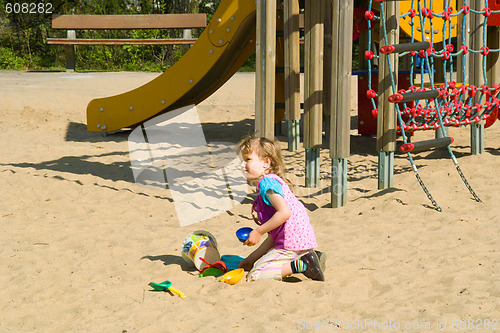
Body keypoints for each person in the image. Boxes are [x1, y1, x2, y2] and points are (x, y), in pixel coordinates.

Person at [237, 136, 325, 281]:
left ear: (265, 162)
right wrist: (251, 259)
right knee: (256, 265)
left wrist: (258, 231)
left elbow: (284, 213)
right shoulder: (273, 182)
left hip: (291, 242)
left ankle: (303, 265)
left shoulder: (266, 183)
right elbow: (273, 237)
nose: (242, 164)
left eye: (247, 159)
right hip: (298, 241)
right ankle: (311, 257)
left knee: (255, 275)